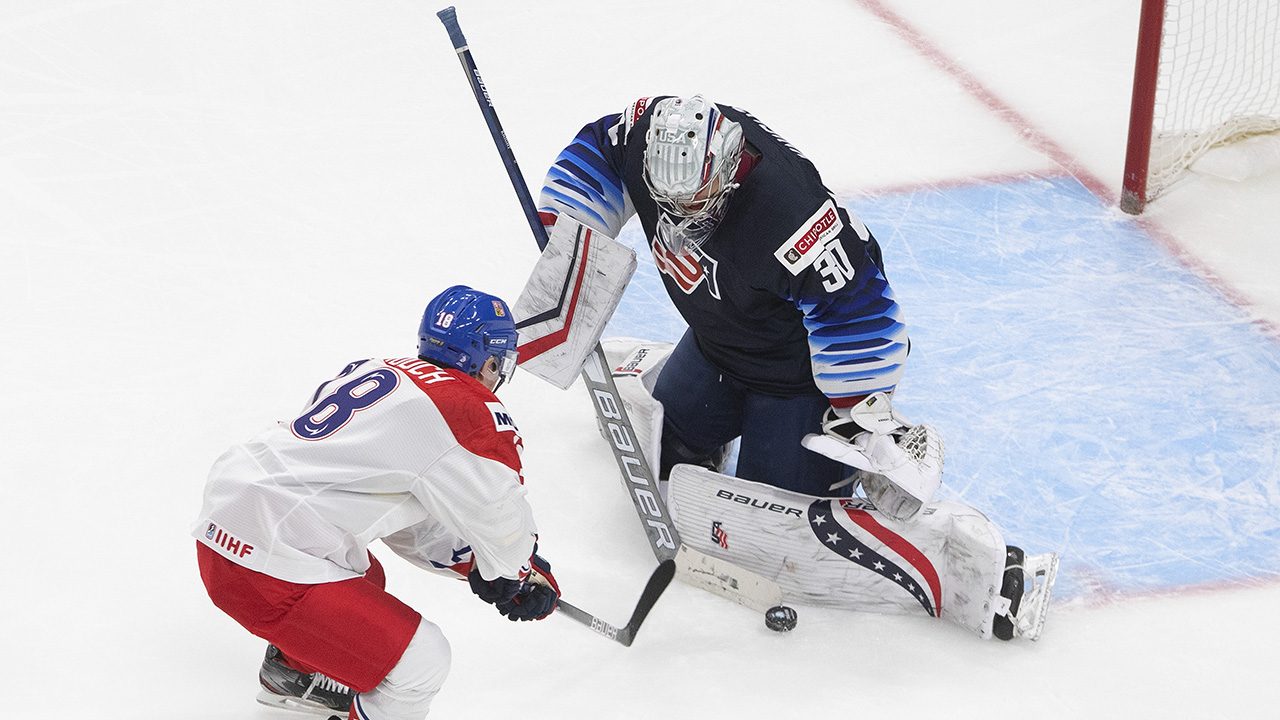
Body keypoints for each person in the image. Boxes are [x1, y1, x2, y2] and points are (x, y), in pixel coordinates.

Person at [192, 285, 560, 720]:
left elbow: (407, 518)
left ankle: (296, 672)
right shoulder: (468, 409)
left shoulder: (380, 370)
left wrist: (482, 566)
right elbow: (501, 515)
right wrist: (515, 571)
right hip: (266, 560)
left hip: (234, 517)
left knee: (364, 576)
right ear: (491, 361)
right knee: (422, 663)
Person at [537, 94, 910, 498]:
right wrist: (569, 236)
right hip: (716, 344)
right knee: (660, 450)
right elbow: (600, 150)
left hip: (795, 375)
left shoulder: (791, 217)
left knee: (777, 511)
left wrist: (859, 415)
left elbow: (857, 316)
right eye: (666, 202)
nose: (677, 217)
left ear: (727, 166)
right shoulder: (646, 138)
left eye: (692, 201)